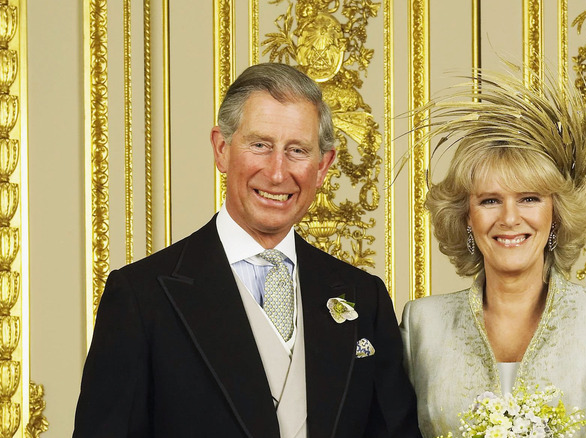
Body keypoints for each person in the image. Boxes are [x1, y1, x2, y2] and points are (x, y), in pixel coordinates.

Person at [74, 63, 420, 438]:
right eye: (260, 145)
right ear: (221, 149)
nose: (276, 172)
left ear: (323, 167)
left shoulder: (363, 299)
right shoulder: (141, 297)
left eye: (297, 150)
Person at [399, 69, 586, 437]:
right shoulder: (422, 326)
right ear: (466, 218)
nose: (509, 218)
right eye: (490, 200)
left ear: (555, 215)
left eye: (529, 199)